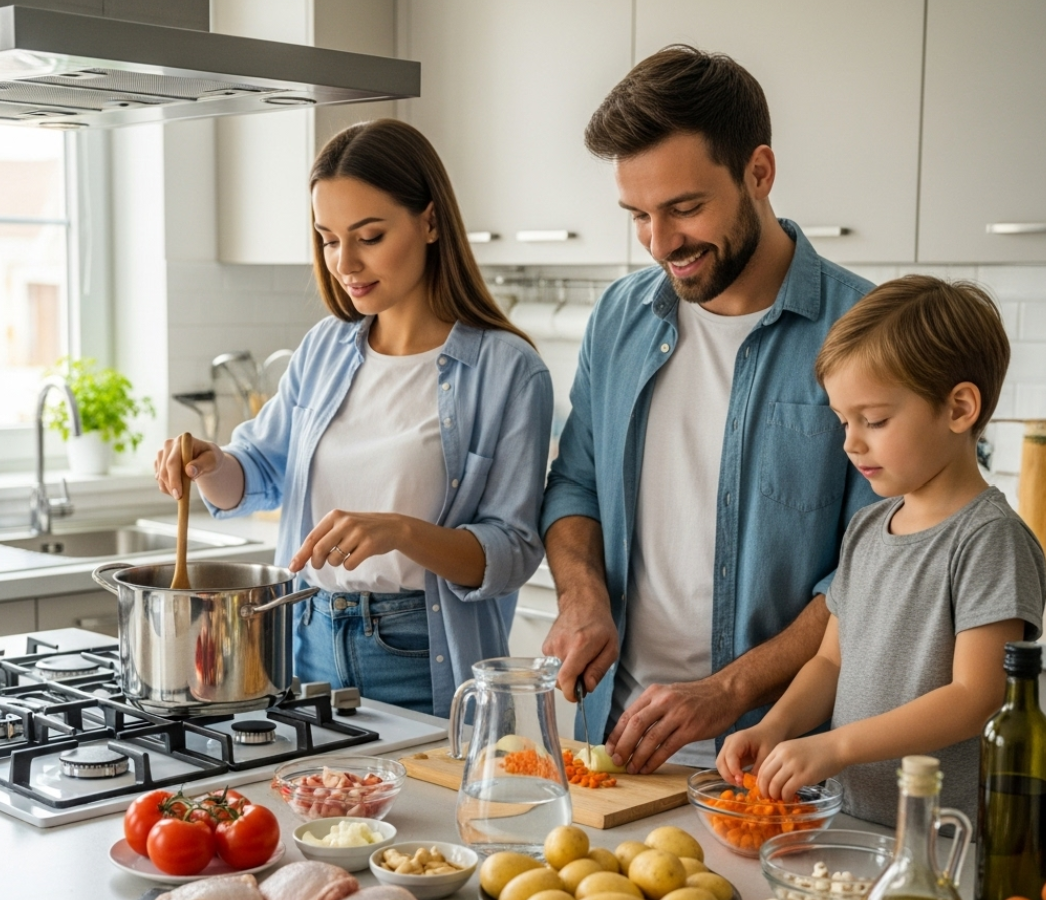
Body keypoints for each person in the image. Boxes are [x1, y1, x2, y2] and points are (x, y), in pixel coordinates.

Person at [540, 45, 879, 774]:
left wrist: (726, 692)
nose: (661, 244)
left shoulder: (867, 332)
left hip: (779, 761)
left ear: (759, 172)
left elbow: (872, 571)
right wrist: (581, 595)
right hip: (615, 748)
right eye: (637, 215)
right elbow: (574, 486)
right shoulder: (619, 318)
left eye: (685, 208)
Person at [155, 118, 553, 717]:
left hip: (421, 655)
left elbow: (514, 550)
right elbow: (256, 471)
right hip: (304, 637)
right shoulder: (326, 346)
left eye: (368, 236)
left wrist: (403, 533)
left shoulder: (508, 370)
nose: (345, 262)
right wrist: (209, 464)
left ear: (430, 221)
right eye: (328, 237)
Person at [717, 275, 1046, 825]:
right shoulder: (867, 528)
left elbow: (977, 694)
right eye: (843, 421)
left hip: (943, 839)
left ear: (959, 408)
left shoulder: (989, 539)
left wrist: (836, 747)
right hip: (848, 820)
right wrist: (773, 727)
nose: (850, 441)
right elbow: (829, 661)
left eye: (874, 420)